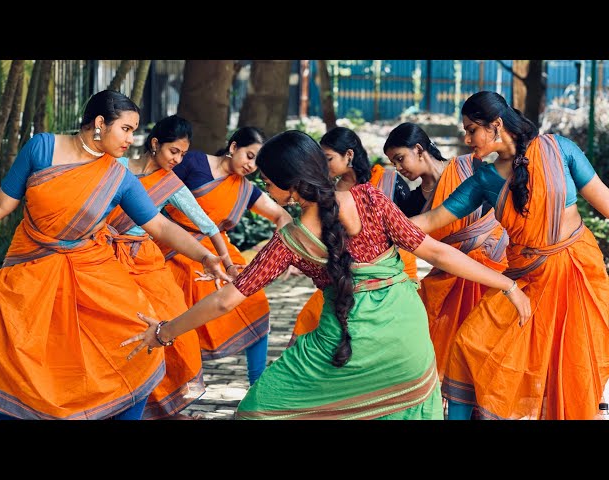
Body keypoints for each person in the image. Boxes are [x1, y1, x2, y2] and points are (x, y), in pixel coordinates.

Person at [121, 129, 531, 420]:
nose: (264, 186)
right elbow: (436, 251)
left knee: (257, 410)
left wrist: (164, 332)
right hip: (407, 342)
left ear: (290, 187)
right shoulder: (369, 198)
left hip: (343, 347)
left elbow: (228, 299)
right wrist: (508, 283)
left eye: (268, 181)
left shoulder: (290, 240)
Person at [0, 90, 229, 420]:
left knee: (138, 348)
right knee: (18, 359)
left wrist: (204, 256)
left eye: (134, 130)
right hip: (28, 272)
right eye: (126, 129)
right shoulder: (42, 148)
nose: (131, 138)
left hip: (92, 273)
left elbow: (160, 227)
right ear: (100, 123)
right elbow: (1, 203)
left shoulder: (118, 176)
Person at [409, 91, 609, 420]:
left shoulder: (559, 150)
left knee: (570, 368)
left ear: (496, 125)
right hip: (525, 281)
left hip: (575, 276)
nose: (467, 138)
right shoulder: (486, 179)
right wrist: (383, 224)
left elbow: (605, 203)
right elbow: (432, 220)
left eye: (472, 129)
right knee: (468, 346)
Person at [108, 114, 238, 419]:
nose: (178, 159)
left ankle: (168, 410)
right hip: (106, 259)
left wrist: (226, 263)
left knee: (176, 329)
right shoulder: (117, 168)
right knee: (116, 333)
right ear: (155, 144)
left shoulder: (171, 184)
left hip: (147, 262)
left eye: (182, 153)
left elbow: (208, 226)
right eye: (173, 152)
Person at [155, 127, 292, 386]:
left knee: (255, 304)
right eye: (249, 156)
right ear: (233, 147)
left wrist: (281, 255)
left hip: (220, 252)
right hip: (175, 248)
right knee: (177, 320)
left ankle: (257, 386)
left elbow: (282, 216)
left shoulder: (245, 189)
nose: (251, 165)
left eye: (257, 162)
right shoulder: (194, 162)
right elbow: (154, 194)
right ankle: (173, 397)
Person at [383, 122, 509, 384]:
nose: (399, 168)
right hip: (452, 277)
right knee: (450, 352)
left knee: (489, 351)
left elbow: (504, 205)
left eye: (400, 158)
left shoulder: (471, 168)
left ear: (419, 149)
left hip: (495, 266)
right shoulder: (413, 203)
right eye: (394, 163)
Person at [288, 126, 418, 347]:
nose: (323, 166)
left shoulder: (387, 181)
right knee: (311, 318)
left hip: (390, 270)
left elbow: (411, 226)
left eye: (328, 158)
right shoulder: (329, 190)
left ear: (349, 155)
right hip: (347, 273)